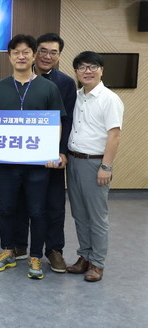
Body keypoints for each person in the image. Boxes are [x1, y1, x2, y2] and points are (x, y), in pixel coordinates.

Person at [0, 34, 66, 280]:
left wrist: (53, 152)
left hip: (38, 165)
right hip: (8, 164)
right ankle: (8, 250)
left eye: (25, 52)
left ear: (33, 56)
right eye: (16, 52)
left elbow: (57, 122)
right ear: (10, 57)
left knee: (37, 211)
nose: (20, 56)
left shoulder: (48, 88)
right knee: (6, 208)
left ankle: (35, 256)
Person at [12, 33, 77, 272]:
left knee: (53, 204)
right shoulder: (15, 80)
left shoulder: (65, 83)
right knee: (19, 200)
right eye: (43, 50)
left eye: (53, 52)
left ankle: (54, 250)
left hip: (50, 156)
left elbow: (66, 120)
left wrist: (61, 152)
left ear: (59, 56)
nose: (47, 56)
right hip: (20, 153)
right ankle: (19, 245)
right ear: (34, 52)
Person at [65, 51, 123, 282]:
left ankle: (97, 263)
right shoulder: (77, 96)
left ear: (101, 70)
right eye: (82, 67)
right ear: (76, 72)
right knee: (79, 214)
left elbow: (115, 135)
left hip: (95, 163)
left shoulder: (109, 99)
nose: (87, 71)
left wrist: (106, 167)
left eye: (92, 66)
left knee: (97, 217)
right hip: (74, 161)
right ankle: (85, 257)